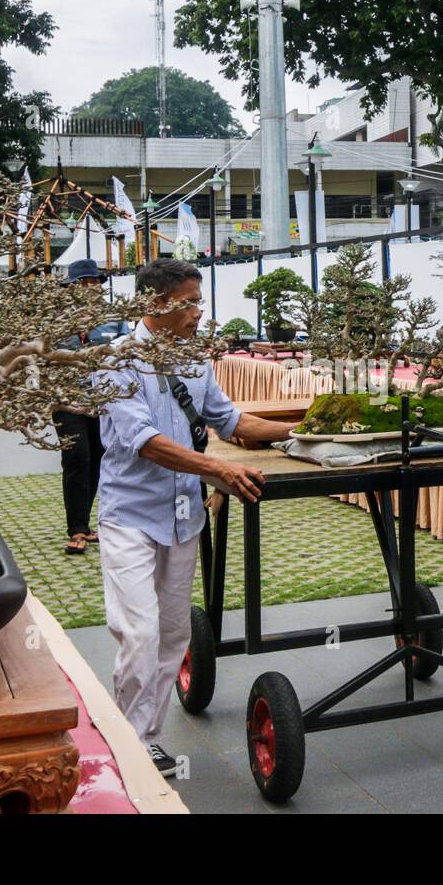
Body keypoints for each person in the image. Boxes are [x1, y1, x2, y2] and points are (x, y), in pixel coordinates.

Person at [94, 258, 294, 776]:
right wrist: (218, 471)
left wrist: (306, 430)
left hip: (183, 517)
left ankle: (147, 737)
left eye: (200, 302)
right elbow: (145, 442)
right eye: (191, 303)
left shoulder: (194, 361)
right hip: (130, 516)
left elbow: (229, 419)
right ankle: (129, 743)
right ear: (155, 303)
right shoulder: (115, 361)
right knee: (138, 634)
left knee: (172, 635)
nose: (200, 313)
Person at [55, 259, 128, 556]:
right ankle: (76, 528)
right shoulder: (54, 318)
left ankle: (84, 524)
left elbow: (127, 352)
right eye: (82, 283)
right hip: (67, 399)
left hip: (104, 400)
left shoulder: (115, 317)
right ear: (71, 288)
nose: (89, 287)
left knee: (98, 458)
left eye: (93, 282)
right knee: (77, 457)